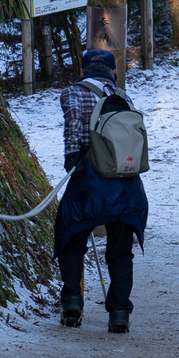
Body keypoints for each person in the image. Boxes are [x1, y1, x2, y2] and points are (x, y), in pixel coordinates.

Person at [54, 49, 148, 333]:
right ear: (113, 73)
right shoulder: (123, 97)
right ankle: (119, 313)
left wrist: (72, 158)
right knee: (120, 253)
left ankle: (72, 301)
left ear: (82, 72)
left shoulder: (72, 93)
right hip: (127, 186)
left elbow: (73, 127)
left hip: (89, 180)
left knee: (71, 240)